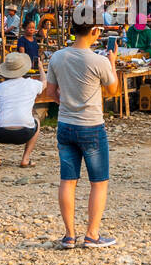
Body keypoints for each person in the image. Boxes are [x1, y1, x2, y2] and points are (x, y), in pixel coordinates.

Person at [42, 17, 121, 249]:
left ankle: (69, 236)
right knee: (98, 182)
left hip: (65, 125)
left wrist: (66, 101)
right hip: (92, 127)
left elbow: (51, 92)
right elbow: (113, 90)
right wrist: (113, 62)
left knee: (68, 180)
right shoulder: (98, 61)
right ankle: (92, 235)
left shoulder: (57, 57)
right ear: (95, 31)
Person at [0, 51, 44, 169]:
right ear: (23, 69)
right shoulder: (32, 83)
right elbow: (44, 83)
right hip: (25, 133)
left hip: (1, 133)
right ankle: (25, 159)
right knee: (36, 121)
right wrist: (40, 68)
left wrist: (2, 119)